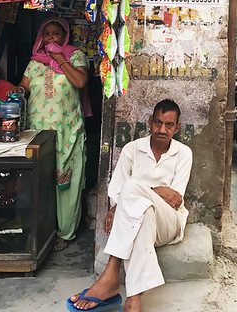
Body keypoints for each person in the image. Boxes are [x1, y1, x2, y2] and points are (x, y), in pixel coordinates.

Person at [68, 99, 192, 312]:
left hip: (169, 223)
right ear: (150, 122)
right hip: (141, 219)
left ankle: (110, 275)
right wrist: (153, 193)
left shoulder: (183, 153)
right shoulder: (132, 149)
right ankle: (134, 299)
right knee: (143, 213)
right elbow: (116, 191)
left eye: (169, 125)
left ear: (177, 127)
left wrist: (132, 198)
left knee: (133, 187)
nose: (162, 129)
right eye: (158, 122)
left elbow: (174, 200)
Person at [19, 17, 89, 250]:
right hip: (37, 131)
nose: (50, 37)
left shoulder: (76, 56)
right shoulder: (34, 62)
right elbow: (24, 87)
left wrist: (60, 59)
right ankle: (40, 232)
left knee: (67, 184)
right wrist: (18, 90)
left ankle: (66, 233)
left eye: (56, 33)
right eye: (46, 33)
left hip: (68, 130)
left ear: (65, 36)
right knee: (40, 182)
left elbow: (80, 81)